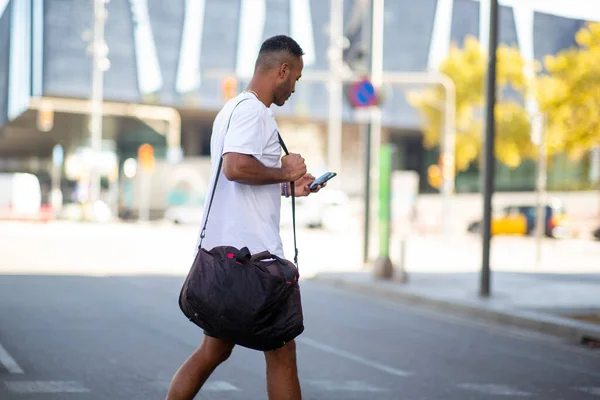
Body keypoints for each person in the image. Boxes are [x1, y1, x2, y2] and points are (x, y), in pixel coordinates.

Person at [166, 35, 325, 400]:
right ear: (282, 70)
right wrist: (284, 173)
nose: (295, 88)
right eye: (296, 78)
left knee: (214, 350)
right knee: (282, 354)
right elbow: (235, 167)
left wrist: (288, 187)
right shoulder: (255, 112)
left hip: (226, 255)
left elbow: (243, 179)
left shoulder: (234, 109)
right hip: (254, 261)